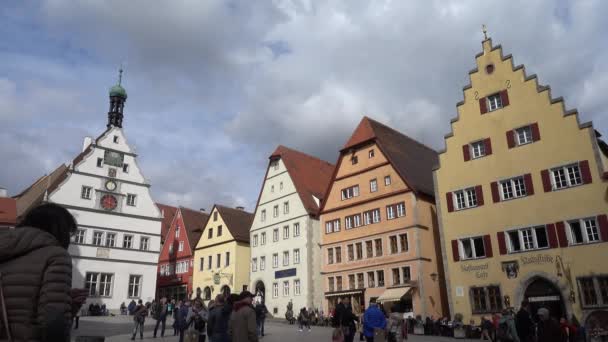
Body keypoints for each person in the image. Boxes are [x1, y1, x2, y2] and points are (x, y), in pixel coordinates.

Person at [0, 203, 78, 342]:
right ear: (59, 229)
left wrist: (65, 301)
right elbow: (53, 320)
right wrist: (67, 307)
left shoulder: (5, 247)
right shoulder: (55, 255)